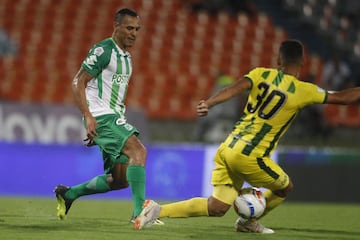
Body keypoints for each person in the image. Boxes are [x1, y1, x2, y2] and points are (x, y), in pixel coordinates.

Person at [133, 39, 360, 233]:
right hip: (250, 154)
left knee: (217, 207)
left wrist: (209, 103)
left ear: (278, 61)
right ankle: (248, 222)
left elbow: (235, 88)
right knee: (285, 187)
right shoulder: (304, 90)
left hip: (228, 147)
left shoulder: (260, 74)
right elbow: (343, 97)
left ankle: (157, 209)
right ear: (302, 62)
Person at [54, 8, 162, 225]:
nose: (134, 33)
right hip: (102, 116)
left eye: (137, 29)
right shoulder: (104, 50)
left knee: (120, 180)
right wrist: (89, 116)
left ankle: (69, 194)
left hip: (112, 117)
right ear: (116, 26)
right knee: (138, 151)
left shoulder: (127, 58)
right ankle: (139, 214)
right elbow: (78, 82)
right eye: (129, 28)